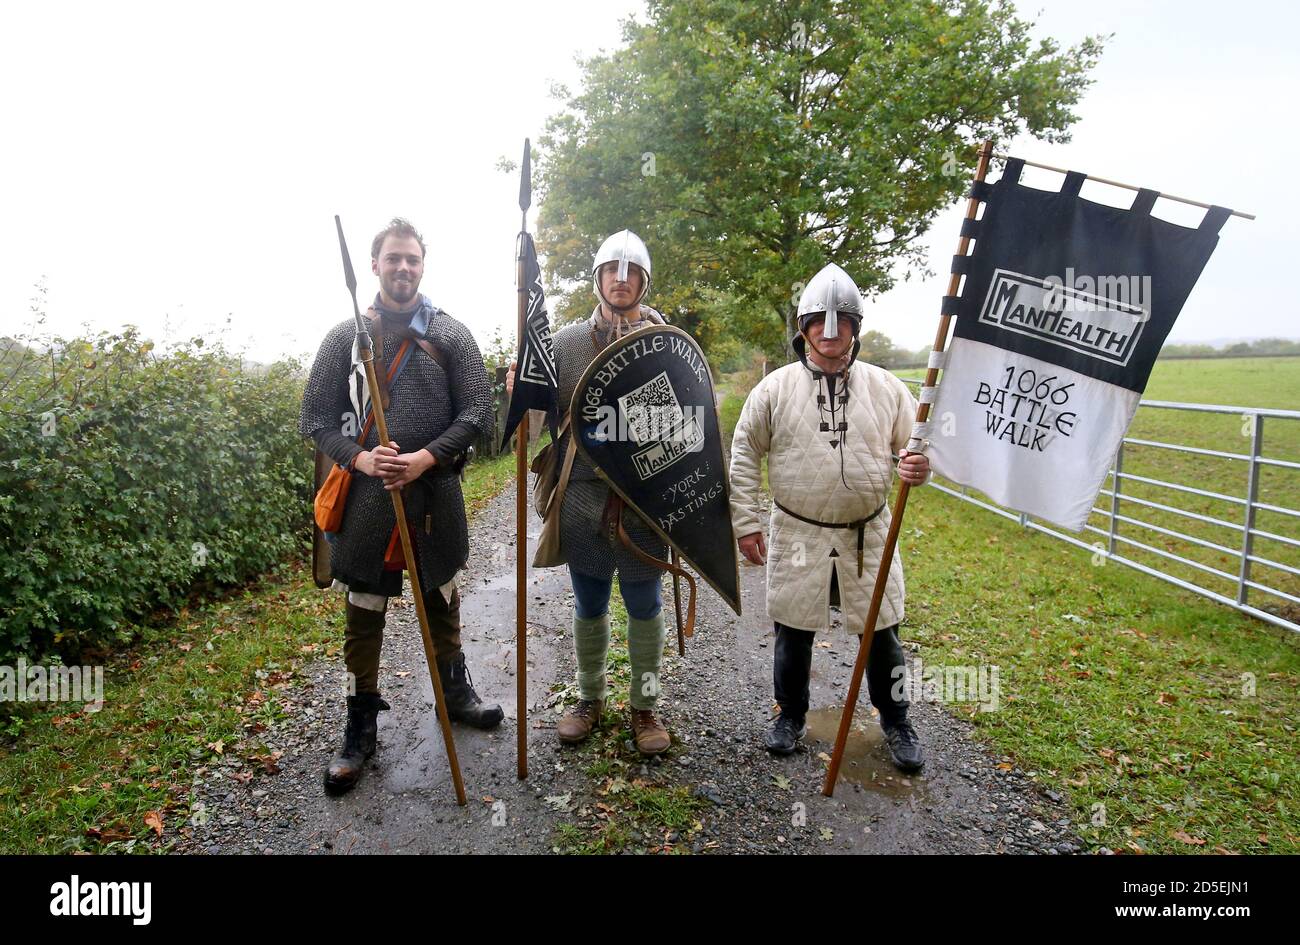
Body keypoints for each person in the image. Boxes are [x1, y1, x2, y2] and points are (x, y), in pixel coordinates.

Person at [299, 217, 502, 795]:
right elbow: (314, 418)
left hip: (433, 495)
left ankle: (455, 691)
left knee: (440, 590)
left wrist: (426, 459)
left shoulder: (450, 334)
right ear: (375, 265)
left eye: (412, 259)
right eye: (393, 259)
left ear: (422, 265)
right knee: (364, 605)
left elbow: (477, 415)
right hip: (368, 500)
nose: (403, 268)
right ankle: (360, 719)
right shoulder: (346, 338)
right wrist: (362, 461)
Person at [729, 262, 930, 771]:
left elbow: (916, 446)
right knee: (793, 630)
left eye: (844, 321)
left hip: (870, 531)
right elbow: (745, 453)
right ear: (804, 328)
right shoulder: (773, 390)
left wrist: (919, 463)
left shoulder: (887, 389)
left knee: (881, 632)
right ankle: (790, 714)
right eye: (821, 320)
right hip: (798, 529)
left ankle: (896, 720)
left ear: (856, 330)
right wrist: (746, 522)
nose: (832, 330)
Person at [507, 230, 677, 755]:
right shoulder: (564, 344)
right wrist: (522, 394)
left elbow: (688, 427)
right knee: (590, 600)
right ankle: (590, 698)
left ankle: (645, 706)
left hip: (644, 495)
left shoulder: (667, 343)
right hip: (581, 490)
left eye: (631, 273)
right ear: (598, 279)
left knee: (645, 601)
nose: (620, 280)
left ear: (643, 282)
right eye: (611, 271)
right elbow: (539, 416)